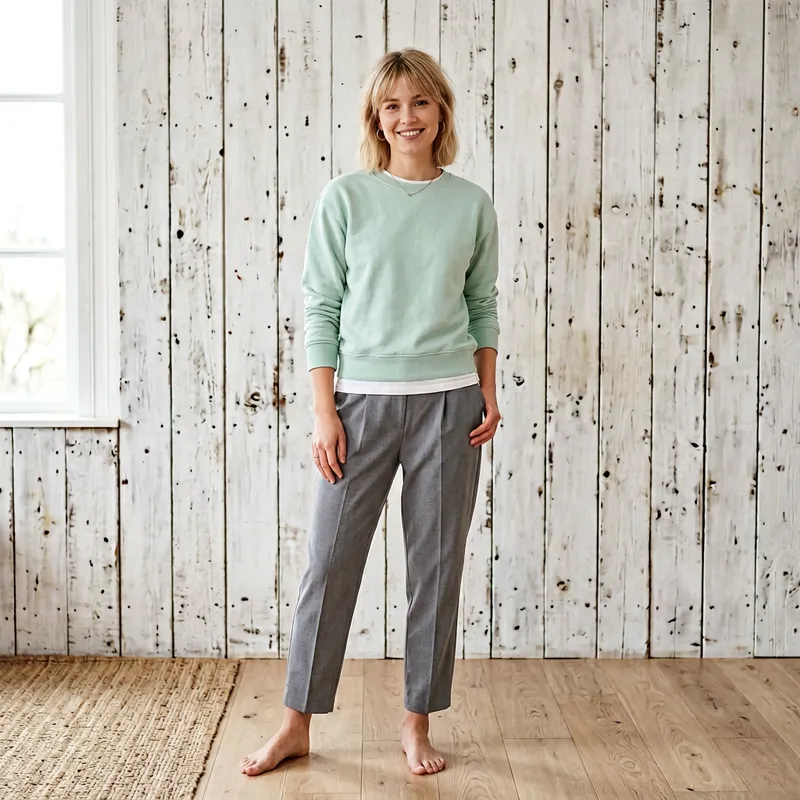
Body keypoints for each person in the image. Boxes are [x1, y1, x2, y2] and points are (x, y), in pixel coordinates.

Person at [240, 47, 501, 779]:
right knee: (328, 566)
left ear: (440, 110)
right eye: (392, 105)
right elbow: (320, 307)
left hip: (451, 405)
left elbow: (482, 305)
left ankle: (416, 724)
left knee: (436, 571)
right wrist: (324, 413)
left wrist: (488, 389)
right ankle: (295, 723)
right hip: (358, 405)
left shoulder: (470, 204)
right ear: (375, 118)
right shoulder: (346, 198)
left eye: (420, 102)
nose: (406, 117)